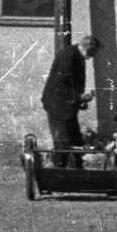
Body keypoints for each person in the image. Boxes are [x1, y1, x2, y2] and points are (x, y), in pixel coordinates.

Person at [41, 35, 99, 168]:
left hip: (66, 106)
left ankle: (78, 172)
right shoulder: (69, 56)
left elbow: (72, 83)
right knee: (62, 143)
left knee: (76, 140)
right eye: (93, 53)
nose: (93, 56)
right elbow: (59, 85)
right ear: (89, 49)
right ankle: (58, 174)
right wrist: (79, 97)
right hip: (57, 106)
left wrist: (81, 99)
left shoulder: (77, 55)